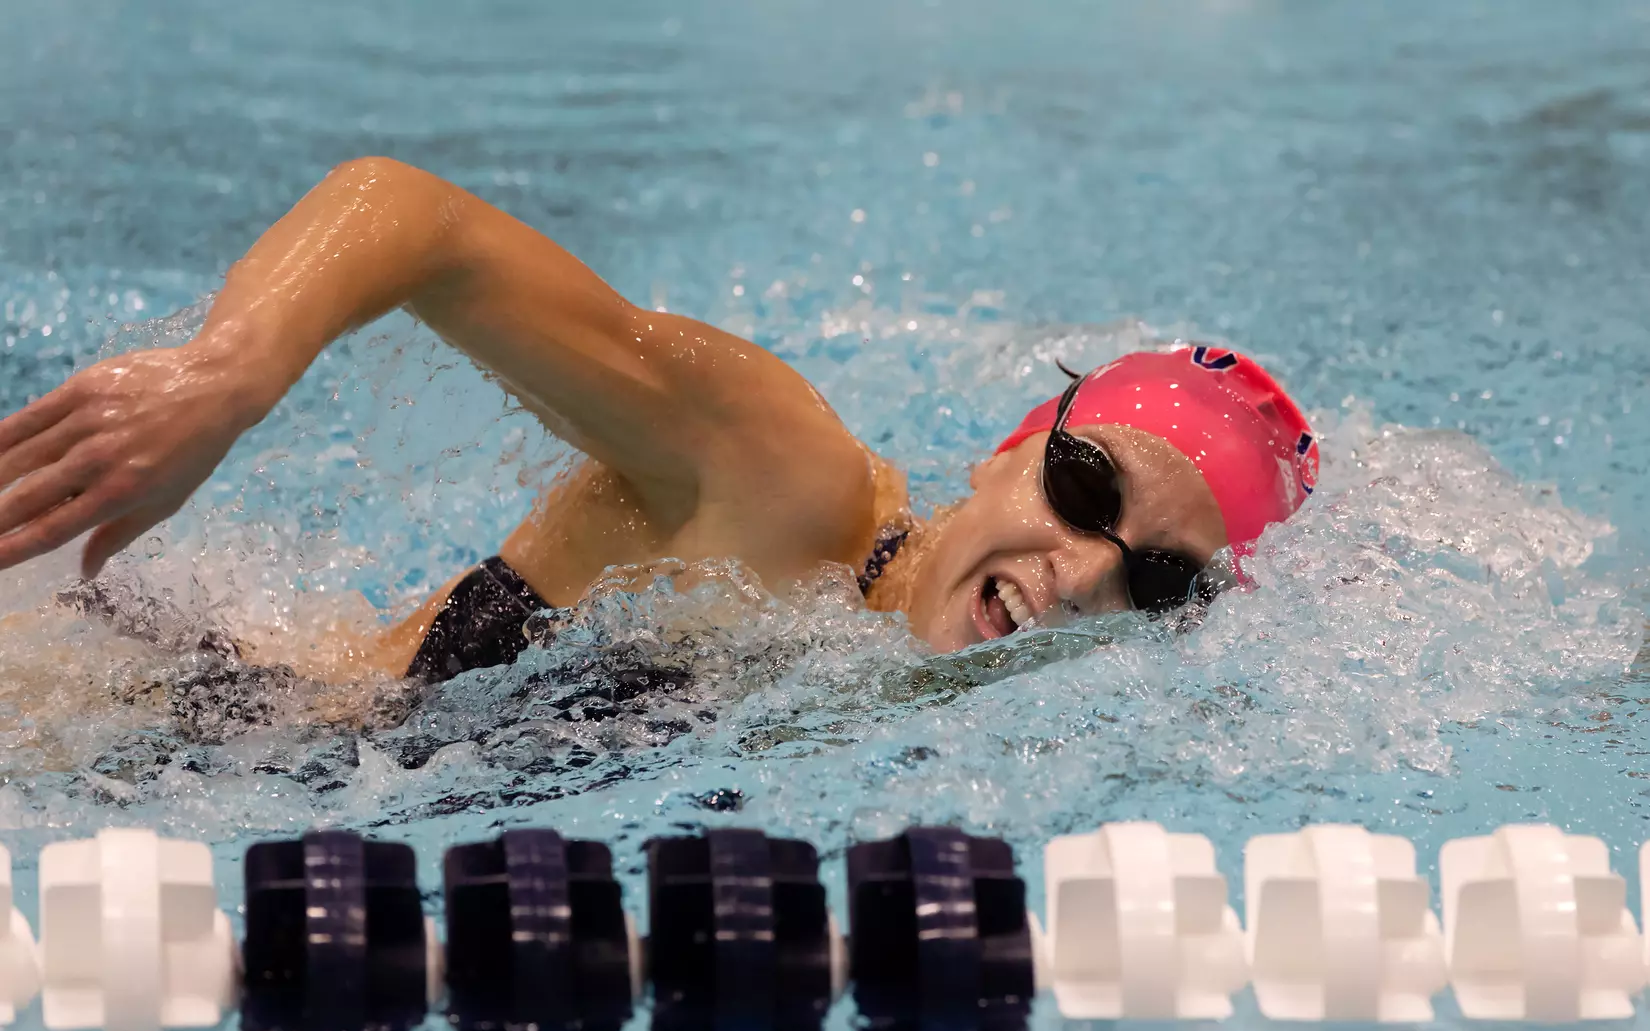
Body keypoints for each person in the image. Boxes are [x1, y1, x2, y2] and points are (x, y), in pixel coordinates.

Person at [0, 158, 1319, 686]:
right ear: (1003, 451)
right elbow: (414, 219)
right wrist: (226, 375)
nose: (1084, 571)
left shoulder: (947, 696)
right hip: (160, 716)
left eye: (1155, 577)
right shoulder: (786, 481)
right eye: (1085, 492)